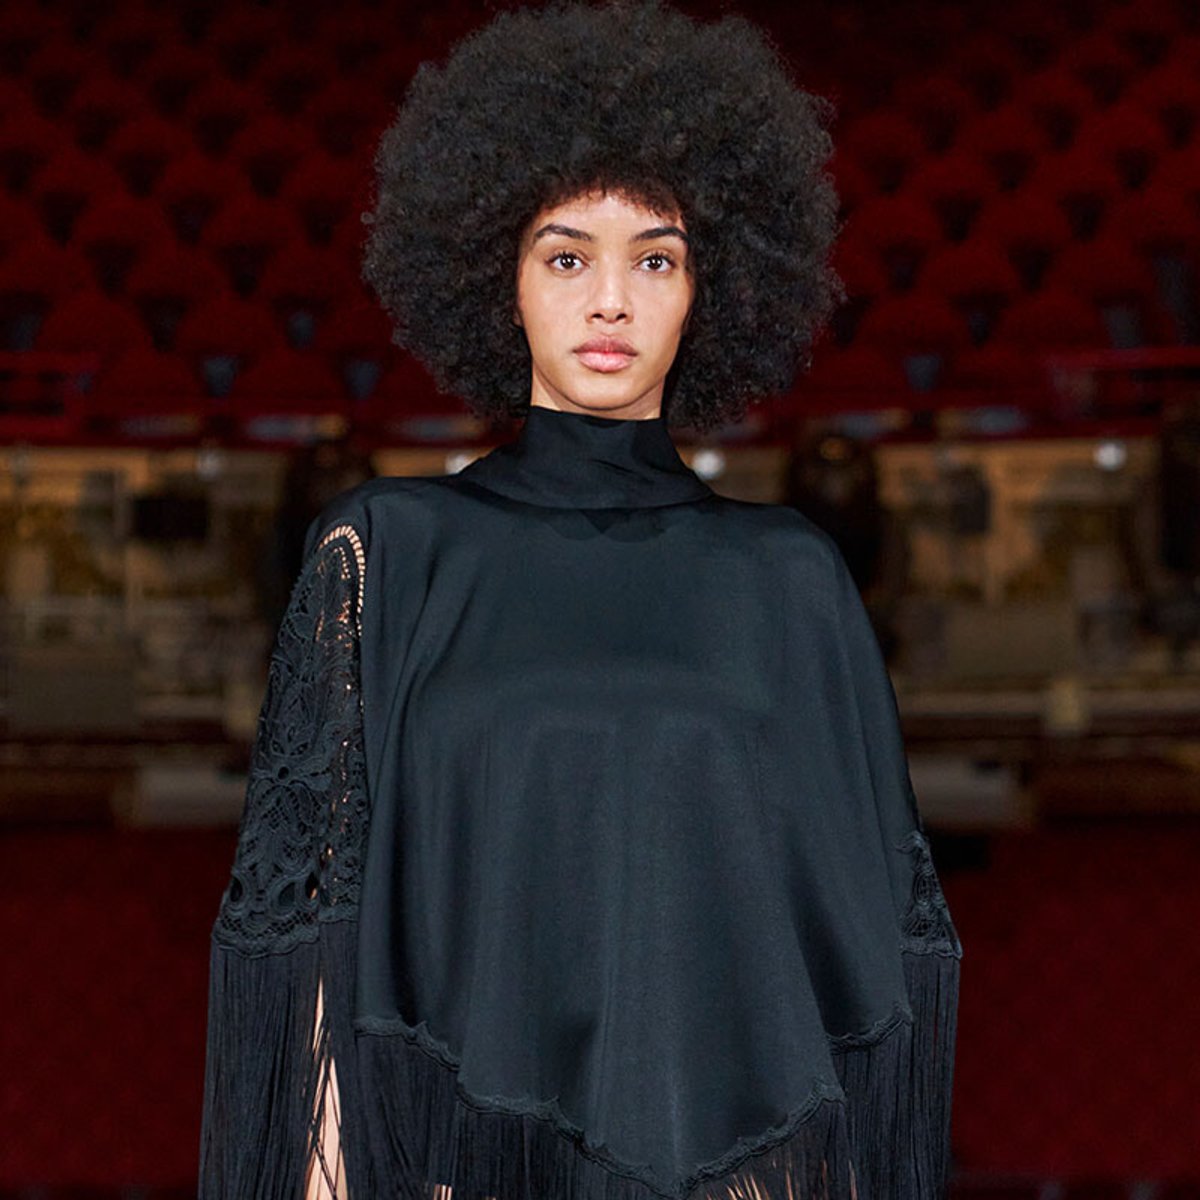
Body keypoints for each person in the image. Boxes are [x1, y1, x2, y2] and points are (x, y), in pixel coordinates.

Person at [198, 3, 963, 1199]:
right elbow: (316, 936)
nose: (611, 301)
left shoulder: (789, 577)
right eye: (567, 257)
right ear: (497, 281)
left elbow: (846, 955)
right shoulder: (384, 554)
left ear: (708, 290)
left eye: (655, 259)